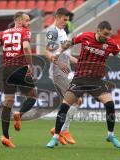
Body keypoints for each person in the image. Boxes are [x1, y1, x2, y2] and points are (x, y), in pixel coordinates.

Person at [46, 21, 120, 148]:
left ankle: (111, 135)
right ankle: (55, 137)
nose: (107, 37)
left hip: (96, 81)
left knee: (110, 104)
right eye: (105, 34)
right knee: (64, 106)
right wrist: (58, 52)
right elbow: (69, 43)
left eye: (109, 35)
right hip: (79, 79)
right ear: (98, 30)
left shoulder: (111, 44)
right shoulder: (85, 36)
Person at [0, 12, 37, 148]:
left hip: (6, 69)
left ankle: (5, 136)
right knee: (33, 96)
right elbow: (26, 47)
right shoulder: (25, 32)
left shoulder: (3, 33)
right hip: (20, 68)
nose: (28, 23)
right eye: (27, 20)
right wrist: (30, 64)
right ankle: (19, 114)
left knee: (8, 101)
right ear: (19, 20)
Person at [45, 8, 81, 145]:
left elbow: (65, 54)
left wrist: (79, 62)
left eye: (67, 20)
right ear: (57, 17)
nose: (66, 22)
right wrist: (59, 64)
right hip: (57, 72)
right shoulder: (53, 31)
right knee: (75, 100)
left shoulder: (62, 32)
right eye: (64, 20)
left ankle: (58, 130)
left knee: (75, 101)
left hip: (65, 71)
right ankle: (62, 130)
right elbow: (47, 52)